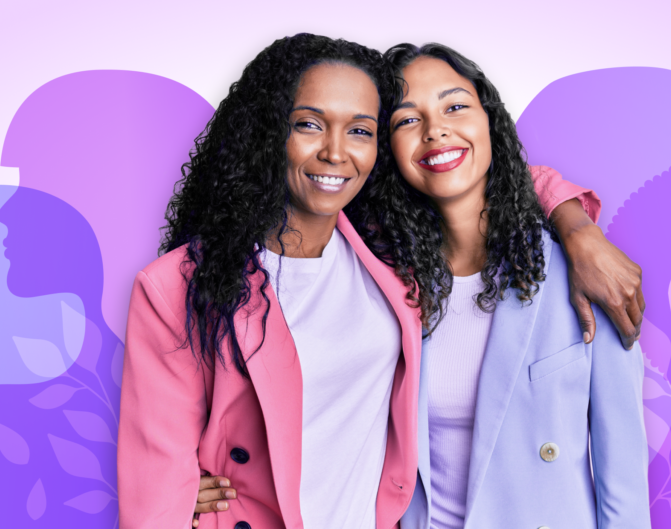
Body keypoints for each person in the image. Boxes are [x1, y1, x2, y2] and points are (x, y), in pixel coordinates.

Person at [121, 34, 642, 529]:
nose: (335, 151)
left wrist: (577, 228)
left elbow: (482, 173)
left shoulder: (569, 269)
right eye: (307, 123)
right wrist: (168, 492)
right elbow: (159, 472)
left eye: (361, 130)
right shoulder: (183, 287)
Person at [374, 43, 650, 529]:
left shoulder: (580, 269)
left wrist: (578, 229)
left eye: (454, 106)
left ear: (490, 120)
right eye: (405, 120)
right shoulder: (383, 276)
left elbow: (623, 474)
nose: (435, 129)